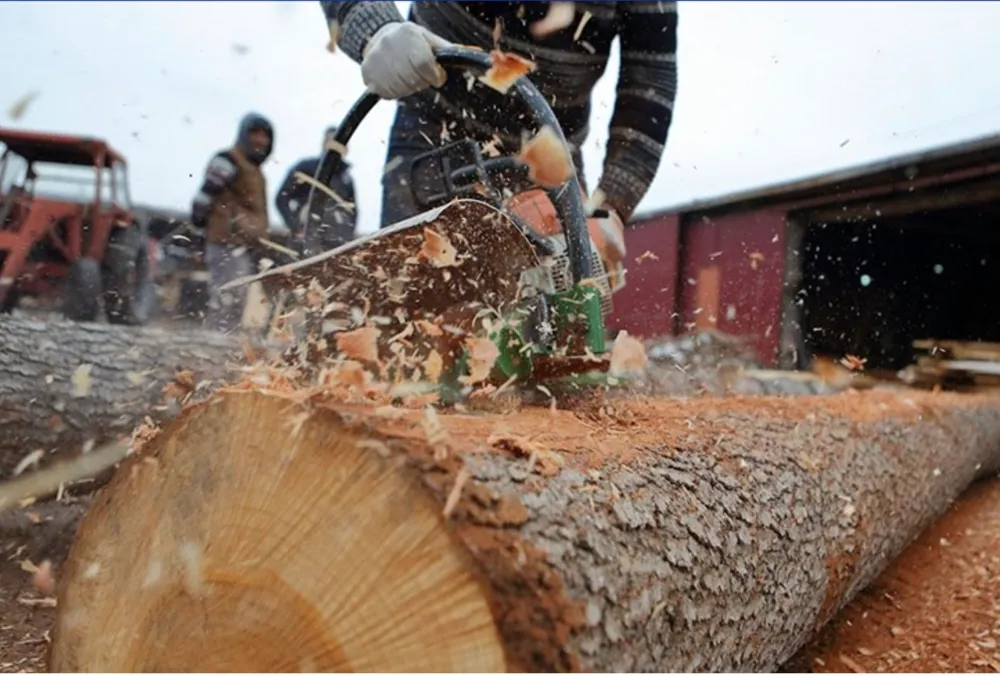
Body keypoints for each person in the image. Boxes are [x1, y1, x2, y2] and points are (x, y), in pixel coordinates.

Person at [320, 1, 678, 277]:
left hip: (551, 150)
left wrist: (612, 205)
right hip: (435, 125)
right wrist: (374, 27)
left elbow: (649, 79)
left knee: (568, 316)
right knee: (409, 302)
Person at [190, 112, 274, 332]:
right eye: (254, 134)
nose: (260, 140)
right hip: (225, 242)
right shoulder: (227, 161)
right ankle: (211, 349)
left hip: (242, 245)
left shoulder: (253, 169)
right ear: (243, 135)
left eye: (265, 136)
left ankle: (225, 352)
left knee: (238, 303)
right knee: (226, 300)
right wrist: (199, 234)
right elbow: (203, 199)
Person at [275, 126, 357, 253]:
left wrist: (348, 235)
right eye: (332, 141)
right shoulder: (306, 168)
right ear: (324, 143)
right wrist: (296, 227)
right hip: (308, 240)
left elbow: (353, 210)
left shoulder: (346, 178)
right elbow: (282, 198)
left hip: (338, 243)